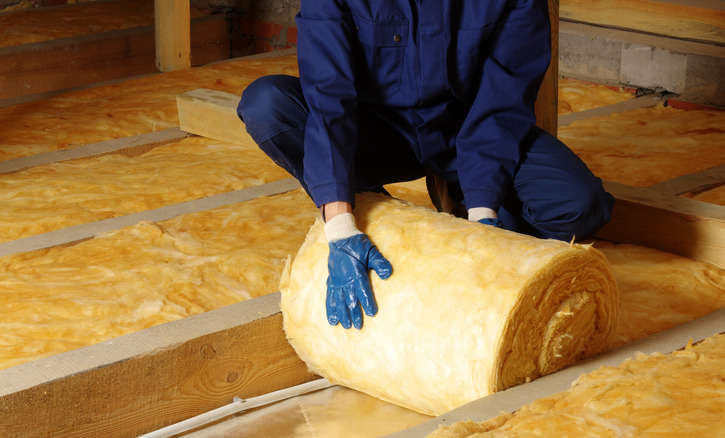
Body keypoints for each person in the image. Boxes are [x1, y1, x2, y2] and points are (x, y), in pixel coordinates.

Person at [237, 0, 614, 331]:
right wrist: (339, 225)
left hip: (464, 132)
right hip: (373, 131)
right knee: (266, 105)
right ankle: (377, 212)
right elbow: (329, 95)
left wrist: (484, 215)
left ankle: (460, 193)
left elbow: (502, 103)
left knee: (580, 204)